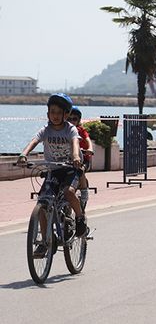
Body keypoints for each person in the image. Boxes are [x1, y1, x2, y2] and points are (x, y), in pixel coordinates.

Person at [17, 93, 87, 257]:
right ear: (48, 113)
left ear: (66, 114)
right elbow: (34, 141)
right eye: (52, 112)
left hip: (71, 168)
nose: (55, 115)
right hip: (53, 170)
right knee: (42, 204)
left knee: (69, 192)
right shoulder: (46, 130)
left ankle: (80, 218)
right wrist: (23, 154)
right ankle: (45, 241)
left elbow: (75, 143)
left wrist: (76, 157)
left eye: (58, 112)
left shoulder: (70, 129)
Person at [68, 106, 94, 206]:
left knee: (80, 170)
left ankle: (84, 192)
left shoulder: (81, 131)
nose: (71, 121)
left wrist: (90, 149)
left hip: (83, 159)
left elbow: (88, 140)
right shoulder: (65, 130)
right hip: (69, 159)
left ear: (78, 120)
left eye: (74, 119)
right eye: (69, 119)